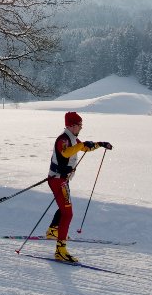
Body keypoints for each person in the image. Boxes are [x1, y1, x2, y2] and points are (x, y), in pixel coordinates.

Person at [46, 111, 112, 262]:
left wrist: (101, 144)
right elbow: (66, 153)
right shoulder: (63, 139)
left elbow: (85, 148)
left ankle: (53, 230)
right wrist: (82, 145)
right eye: (79, 125)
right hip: (57, 180)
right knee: (68, 213)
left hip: (62, 180)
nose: (81, 127)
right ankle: (60, 250)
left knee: (64, 208)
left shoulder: (73, 139)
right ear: (71, 125)